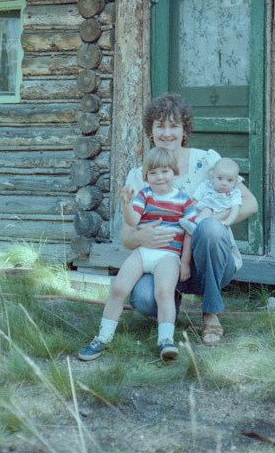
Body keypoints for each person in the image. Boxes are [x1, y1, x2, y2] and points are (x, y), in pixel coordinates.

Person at [121, 92, 258, 345]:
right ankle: (169, 300)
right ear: (150, 131)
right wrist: (140, 235)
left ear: (184, 130)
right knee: (142, 299)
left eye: (174, 126)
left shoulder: (207, 161)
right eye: (160, 126)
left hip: (209, 259)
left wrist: (208, 219)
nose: (167, 133)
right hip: (164, 261)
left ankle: (211, 314)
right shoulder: (140, 175)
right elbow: (126, 236)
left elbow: (250, 203)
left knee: (210, 229)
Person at [78, 147, 195, 362]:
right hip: (143, 252)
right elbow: (133, 221)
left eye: (165, 171)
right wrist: (126, 204)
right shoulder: (145, 195)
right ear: (146, 177)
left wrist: (185, 262)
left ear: (175, 173)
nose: (159, 177)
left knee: (164, 292)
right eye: (153, 173)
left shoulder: (184, 201)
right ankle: (102, 338)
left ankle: (166, 341)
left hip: (168, 256)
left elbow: (188, 233)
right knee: (119, 287)